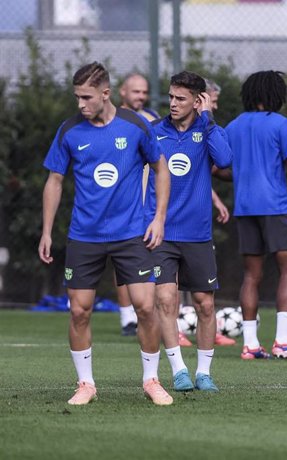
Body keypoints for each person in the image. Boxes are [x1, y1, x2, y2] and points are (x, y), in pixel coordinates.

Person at [38, 62, 173, 406]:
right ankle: (86, 384)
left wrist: (158, 218)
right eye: (77, 97)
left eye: (86, 97)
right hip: (84, 235)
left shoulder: (136, 126)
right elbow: (54, 180)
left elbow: (161, 169)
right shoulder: (69, 130)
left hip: (131, 234)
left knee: (145, 307)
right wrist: (47, 231)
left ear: (106, 94)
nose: (80, 104)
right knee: (79, 311)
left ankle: (151, 380)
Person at [216, 70, 287, 360]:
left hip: (244, 209)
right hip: (275, 207)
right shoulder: (282, 125)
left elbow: (219, 169)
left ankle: (251, 345)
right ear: (276, 95)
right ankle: (283, 342)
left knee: (251, 275)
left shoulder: (233, 126)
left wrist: (244, 175)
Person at [147, 71, 232, 392]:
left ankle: (204, 372)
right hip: (162, 233)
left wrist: (207, 118)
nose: (172, 104)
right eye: (170, 97)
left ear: (198, 101)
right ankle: (179, 369)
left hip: (197, 234)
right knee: (166, 300)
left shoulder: (209, 129)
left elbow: (225, 160)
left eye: (180, 99)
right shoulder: (154, 131)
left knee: (205, 304)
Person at [115, 72, 160, 336]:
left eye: (144, 92)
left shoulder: (151, 119)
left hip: (148, 200)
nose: (141, 97)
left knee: (148, 255)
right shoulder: (110, 119)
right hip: (121, 201)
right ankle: (127, 318)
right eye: (136, 92)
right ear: (122, 91)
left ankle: (146, 311)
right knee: (121, 258)